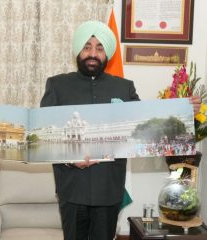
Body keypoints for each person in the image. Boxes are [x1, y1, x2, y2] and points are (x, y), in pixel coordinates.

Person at [40, 20, 201, 240]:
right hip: (72, 188)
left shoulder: (124, 87)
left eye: (99, 48)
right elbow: (44, 135)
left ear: (107, 54)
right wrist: (69, 159)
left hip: (109, 188)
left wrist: (184, 109)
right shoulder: (57, 86)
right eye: (87, 47)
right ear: (78, 50)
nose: (93, 53)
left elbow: (146, 124)